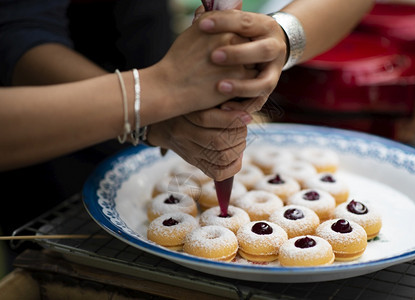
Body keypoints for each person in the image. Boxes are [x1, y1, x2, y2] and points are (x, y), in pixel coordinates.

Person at [0, 0, 375, 233]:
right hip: (47, 123)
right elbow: (17, 34)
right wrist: (157, 95)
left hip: (141, 39)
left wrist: (282, 36)